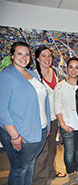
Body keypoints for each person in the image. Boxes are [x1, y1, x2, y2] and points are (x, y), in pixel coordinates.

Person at [0, 41, 50, 185]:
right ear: (12, 56)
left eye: (27, 54)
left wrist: (46, 126)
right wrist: (14, 135)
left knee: (30, 165)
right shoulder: (6, 76)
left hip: (39, 129)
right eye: (19, 53)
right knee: (20, 169)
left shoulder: (32, 73)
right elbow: (2, 109)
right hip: (20, 132)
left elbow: (42, 99)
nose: (24, 57)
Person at [33, 46, 66, 185]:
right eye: (44, 56)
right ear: (37, 58)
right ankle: (40, 180)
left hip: (53, 117)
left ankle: (51, 172)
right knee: (42, 151)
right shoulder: (34, 75)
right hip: (41, 119)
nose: (47, 59)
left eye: (49, 56)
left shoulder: (53, 72)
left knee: (52, 147)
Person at [54, 57, 78, 185]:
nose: (73, 70)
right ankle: (71, 174)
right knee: (69, 153)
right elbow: (58, 108)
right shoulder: (60, 86)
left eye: (77, 67)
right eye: (71, 67)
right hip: (66, 125)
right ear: (67, 68)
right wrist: (63, 125)